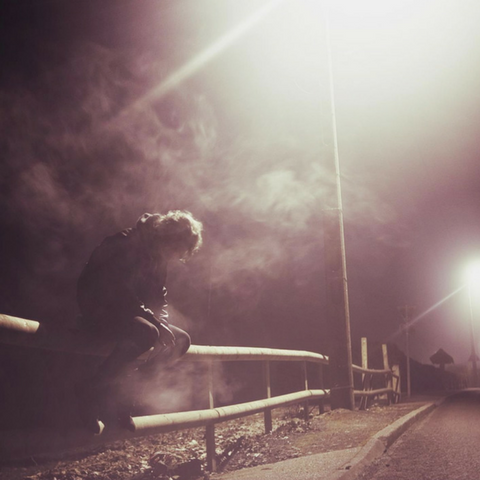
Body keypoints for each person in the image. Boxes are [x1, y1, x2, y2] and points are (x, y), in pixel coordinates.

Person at [76, 210, 203, 433]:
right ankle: (91, 394)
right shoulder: (126, 242)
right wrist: (154, 321)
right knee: (147, 332)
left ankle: (123, 395)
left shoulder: (159, 256)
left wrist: (161, 321)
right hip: (100, 309)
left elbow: (158, 296)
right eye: (175, 250)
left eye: (179, 253)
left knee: (180, 340)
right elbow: (115, 289)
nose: (174, 257)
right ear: (166, 236)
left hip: (131, 315)